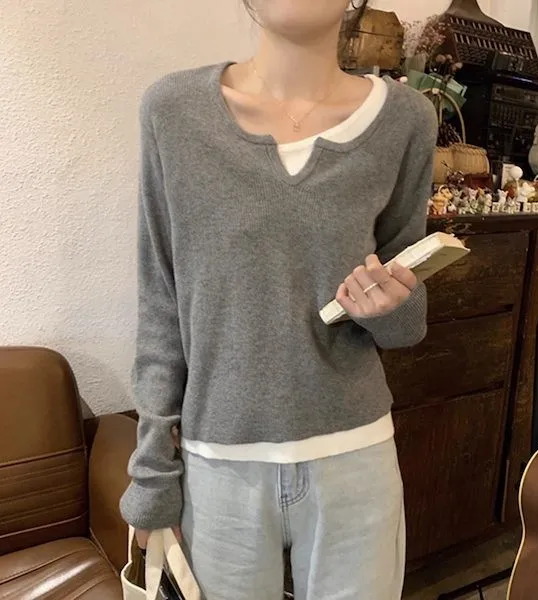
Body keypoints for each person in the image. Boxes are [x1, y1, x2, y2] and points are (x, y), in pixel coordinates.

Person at [120, 0, 438, 598]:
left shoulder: (406, 120)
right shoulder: (173, 111)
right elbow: (161, 302)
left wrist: (391, 307)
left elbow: (408, 310)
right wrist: (152, 474)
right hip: (218, 466)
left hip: (355, 456)